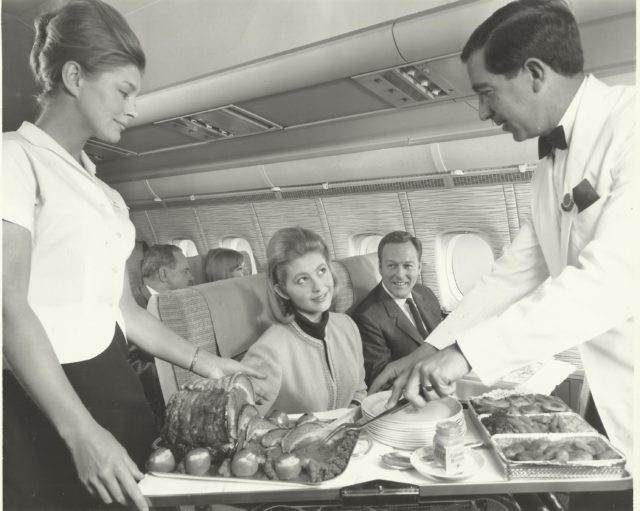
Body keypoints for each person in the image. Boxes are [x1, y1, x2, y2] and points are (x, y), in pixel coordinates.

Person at [2, 2, 263, 509]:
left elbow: (124, 312)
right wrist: (81, 434)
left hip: (113, 385)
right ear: (74, 76)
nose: (134, 108)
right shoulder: (13, 158)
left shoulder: (104, 193)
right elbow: (9, 311)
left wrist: (209, 363)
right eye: (124, 90)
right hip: (49, 402)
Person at [375, 0, 636, 473]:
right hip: (612, 387)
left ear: (534, 73)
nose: (480, 112)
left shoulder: (632, 127)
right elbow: (512, 274)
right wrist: (431, 348)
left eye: (486, 92)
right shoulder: (547, 172)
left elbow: (612, 280)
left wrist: (465, 355)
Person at [242, 226, 368, 414]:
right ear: (282, 291)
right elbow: (245, 421)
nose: (318, 286)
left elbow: (359, 390)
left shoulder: (347, 326)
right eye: (302, 280)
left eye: (321, 271)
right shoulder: (268, 351)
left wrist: (348, 417)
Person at [351, 231, 442, 386]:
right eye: (391, 266)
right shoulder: (367, 317)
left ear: (419, 267)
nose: (400, 275)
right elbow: (382, 380)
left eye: (408, 266)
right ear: (380, 267)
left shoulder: (426, 294)